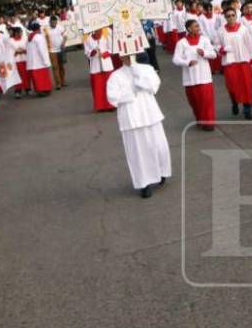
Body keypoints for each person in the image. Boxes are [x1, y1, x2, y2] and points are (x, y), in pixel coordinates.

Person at [106, 55, 171, 198]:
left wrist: (138, 75)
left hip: (150, 114)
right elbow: (112, 98)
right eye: (124, 55)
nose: (127, 57)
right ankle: (144, 183)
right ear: (120, 57)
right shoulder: (115, 76)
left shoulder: (146, 69)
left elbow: (154, 87)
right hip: (131, 118)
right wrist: (130, 92)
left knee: (159, 147)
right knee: (138, 153)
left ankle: (161, 172)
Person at [172, 18, 217, 131]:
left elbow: (213, 54)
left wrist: (204, 53)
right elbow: (176, 59)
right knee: (195, 102)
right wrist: (187, 63)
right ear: (189, 29)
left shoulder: (204, 40)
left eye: (198, 26)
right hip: (190, 78)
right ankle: (200, 120)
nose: (198, 28)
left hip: (204, 77)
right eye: (195, 26)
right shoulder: (181, 43)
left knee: (207, 101)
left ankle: (209, 123)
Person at [214, 6, 252, 121]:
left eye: (233, 15)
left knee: (247, 87)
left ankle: (247, 110)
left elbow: (249, 45)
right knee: (232, 87)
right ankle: (234, 102)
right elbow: (216, 45)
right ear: (225, 18)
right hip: (230, 63)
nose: (231, 18)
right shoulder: (220, 31)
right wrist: (222, 49)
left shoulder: (243, 29)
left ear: (236, 16)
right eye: (228, 16)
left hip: (243, 62)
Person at [84, 28, 117, 113]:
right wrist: (93, 52)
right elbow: (87, 52)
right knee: (98, 87)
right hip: (95, 66)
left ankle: (111, 105)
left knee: (110, 85)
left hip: (106, 64)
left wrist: (105, 54)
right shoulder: (87, 38)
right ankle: (100, 106)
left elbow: (112, 48)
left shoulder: (106, 34)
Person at [25, 20, 54, 97]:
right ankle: (45, 90)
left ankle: (39, 90)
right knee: (43, 77)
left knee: (37, 78)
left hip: (32, 62)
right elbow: (42, 50)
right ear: (38, 28)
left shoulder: (29, 37)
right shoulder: (39, 37)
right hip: (40, 62)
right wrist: (46, 62)